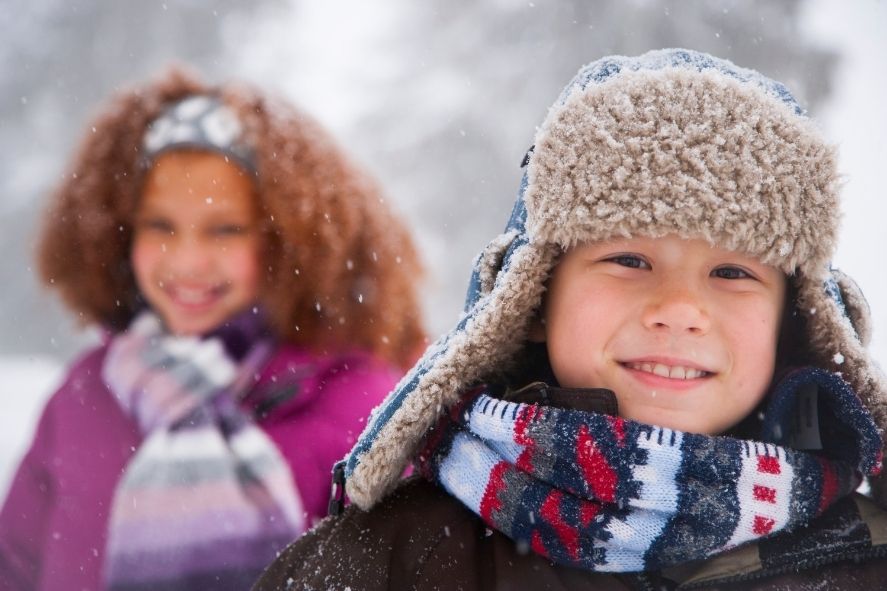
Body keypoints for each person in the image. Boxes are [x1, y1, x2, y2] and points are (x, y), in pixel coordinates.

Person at [253, 49, 887, 590]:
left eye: (733, 273)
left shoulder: (866, 557)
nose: (679, 311)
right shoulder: (397, 556)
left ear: (793, 322)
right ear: (533, 301)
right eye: (629, 258)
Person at [0, 66, 425, 591]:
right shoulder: (85, 395)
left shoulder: (364, 410)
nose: (187, 260)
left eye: (224, 229)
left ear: (287, 242)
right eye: (161, 225)